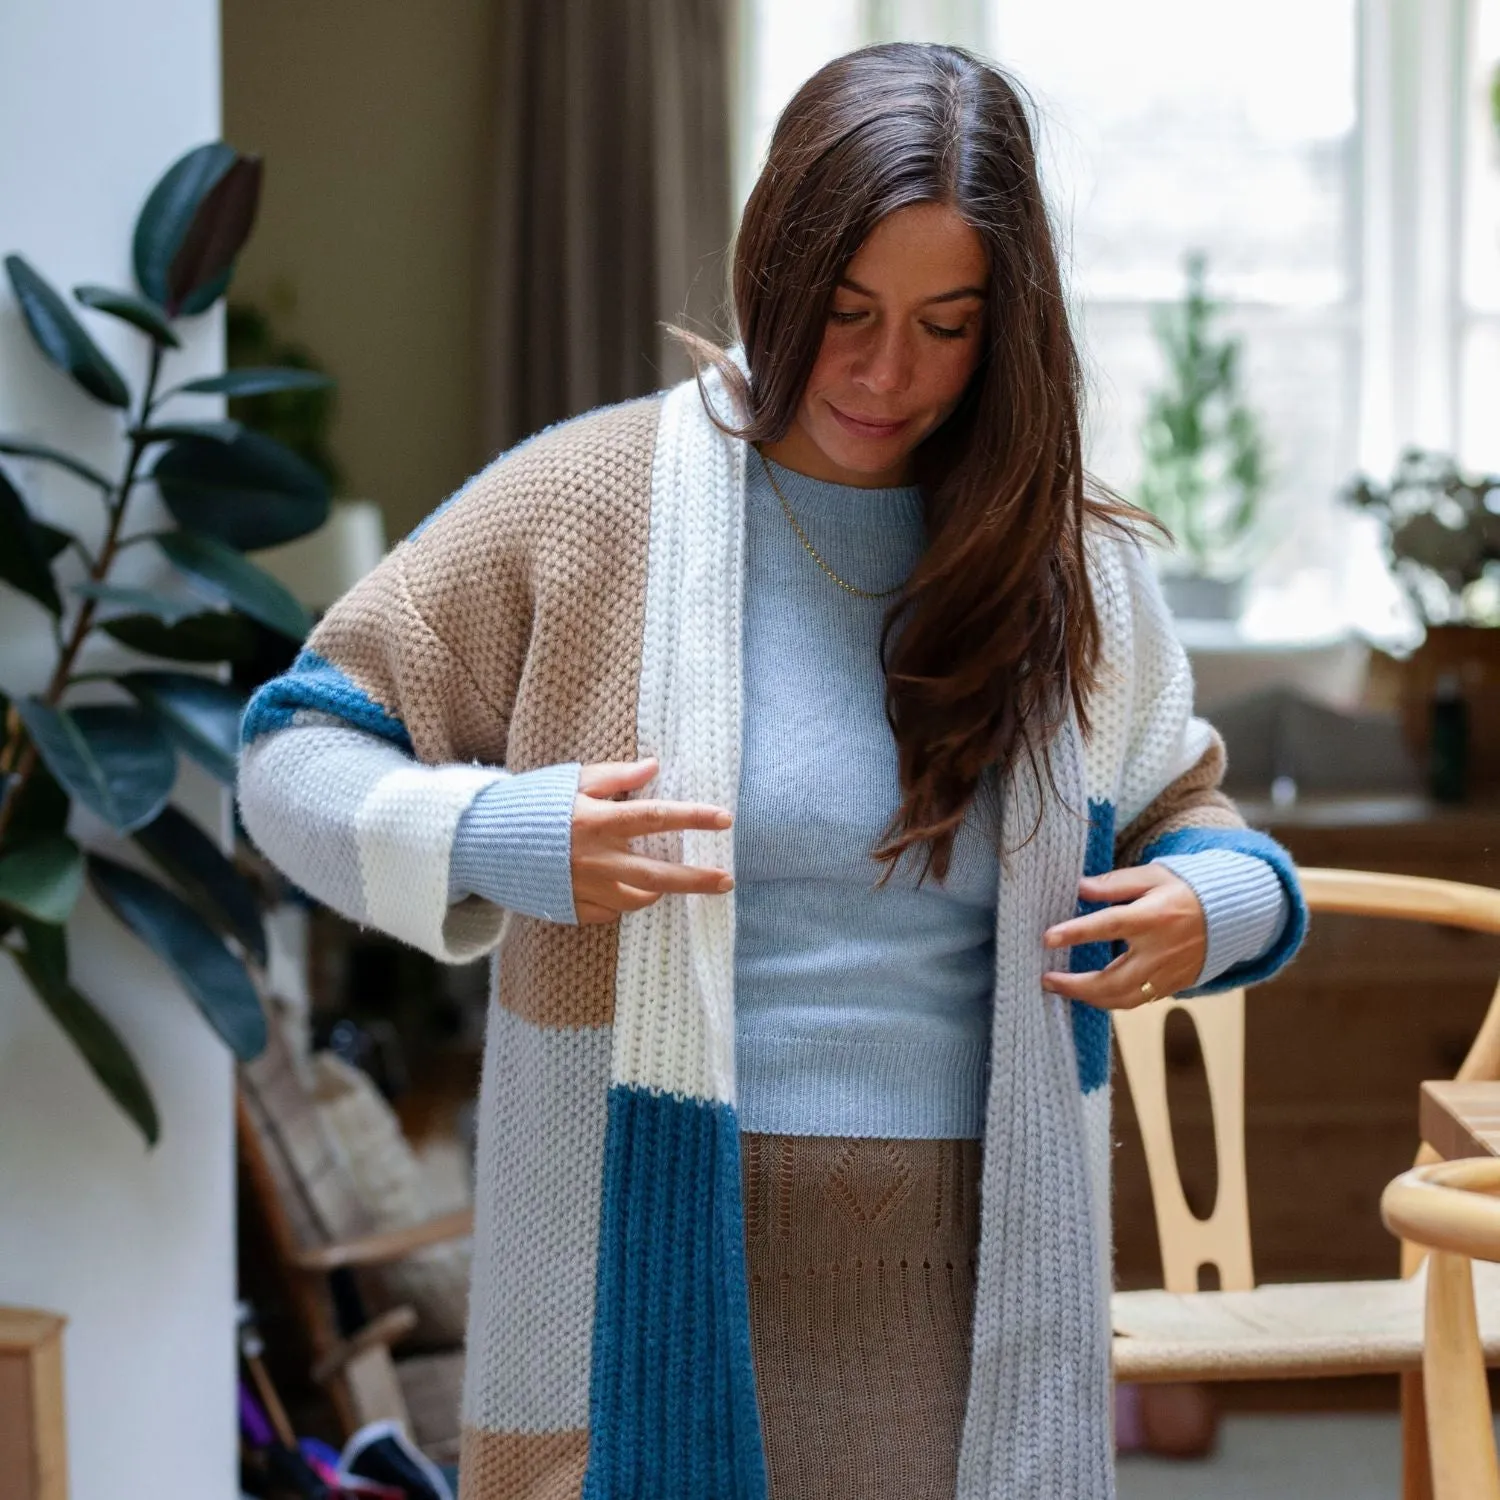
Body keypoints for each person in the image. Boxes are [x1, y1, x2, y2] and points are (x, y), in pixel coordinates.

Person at [238, 42, 1305, 1500]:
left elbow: (1201, 818)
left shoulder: (1066, 567)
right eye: (847, 311)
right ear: (773, 266)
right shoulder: (590, 504)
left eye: (947, 323)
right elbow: (286, 750)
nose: (884, 372)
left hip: (975, 1296)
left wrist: (1216, 911)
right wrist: (502, 833)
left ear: (1010, 326)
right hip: (645, 1275)